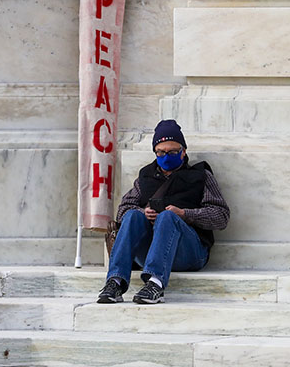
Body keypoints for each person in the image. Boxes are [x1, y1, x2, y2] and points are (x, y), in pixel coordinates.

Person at [97, 119, 229, 304]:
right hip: (150, 251)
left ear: (183, 152)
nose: (167, 156)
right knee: (133, 215)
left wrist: (184, 214)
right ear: (155, 152)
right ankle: (115, 281)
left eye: (173, 152)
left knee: (168, 216)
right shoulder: (145, 176)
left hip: (189, 253)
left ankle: (156, 284)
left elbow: (221, 216)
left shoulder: (200, 176)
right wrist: (143, 212)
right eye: (161, 152)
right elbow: (123, 210)